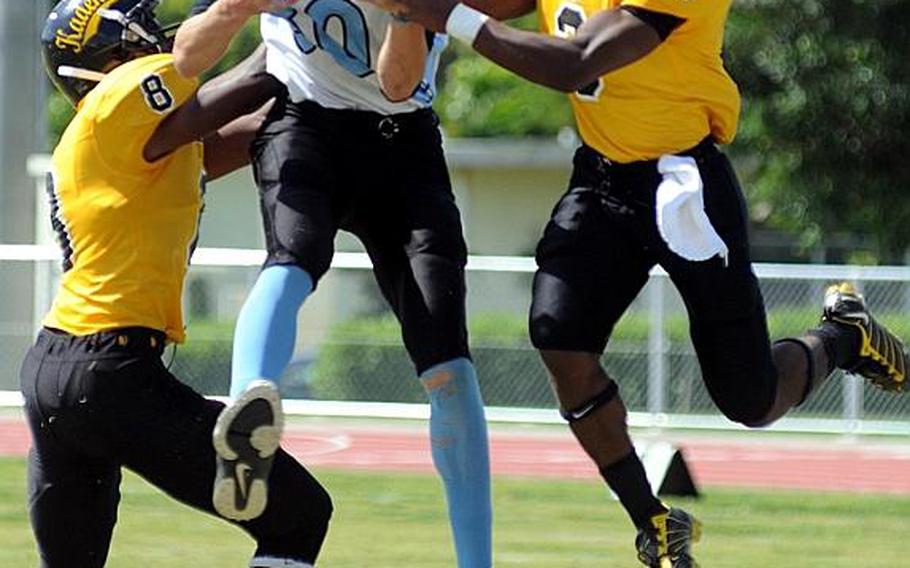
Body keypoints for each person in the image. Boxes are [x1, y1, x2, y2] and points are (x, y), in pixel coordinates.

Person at [360, 0, 910, 566]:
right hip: (602, 181)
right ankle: (653, 521)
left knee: (750, 398)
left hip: (684, 183)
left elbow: (577, 61)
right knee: (558, 336)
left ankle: (843, 335)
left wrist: (440, 11)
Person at [174, 1, 492, 566]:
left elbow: (398, 85)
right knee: (295, 256)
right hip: (305, 121)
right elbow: (186, 55)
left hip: (403, 141)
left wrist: (402, 11)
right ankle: (248, 413)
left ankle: (476, 561)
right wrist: (237, 6)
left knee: (447, 357)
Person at [21, 1, 333, 566]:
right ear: (112, 51)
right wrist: (289, 20)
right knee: (299, 513)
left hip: (55, 368)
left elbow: (244, 129)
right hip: (109, 371)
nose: (161, 35)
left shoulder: (124, 142)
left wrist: (329, 105)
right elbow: (252, 81)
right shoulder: (116, 99)